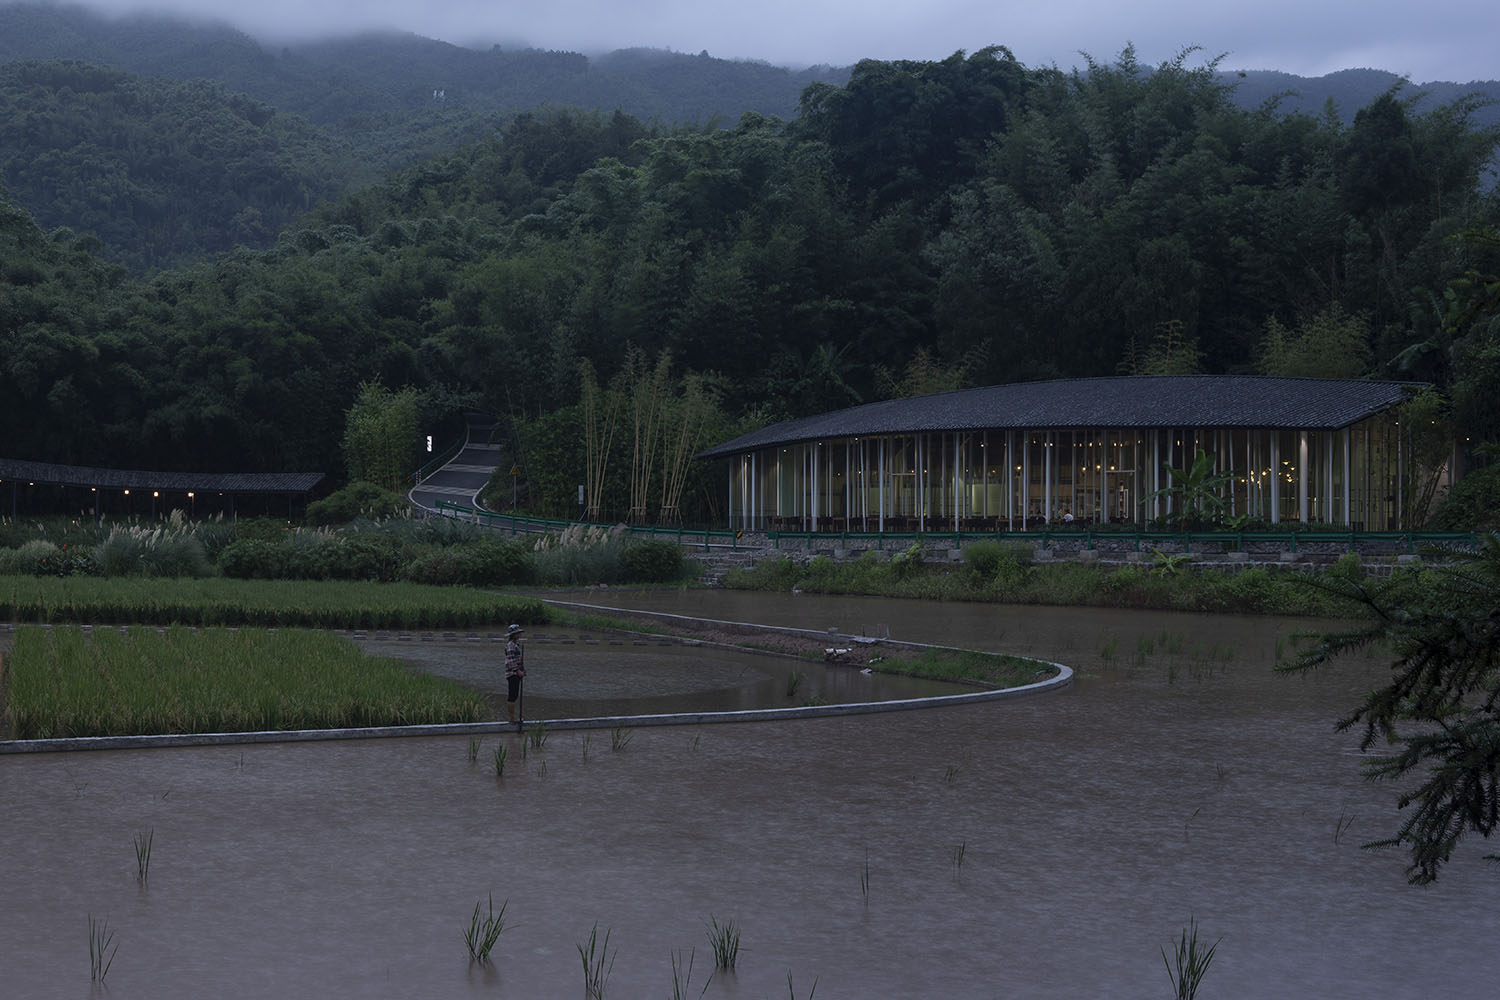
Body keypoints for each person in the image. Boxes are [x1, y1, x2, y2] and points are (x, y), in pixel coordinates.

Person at [503, 624, 526, 725]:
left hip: (516, 674)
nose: (519, 634)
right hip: (513, 674)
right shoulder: (511, 646)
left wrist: (523, 671)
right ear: (513, 634)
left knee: (515, 695)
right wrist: (518, 671)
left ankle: (513, 717)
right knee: (512, 696)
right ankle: (512, 718)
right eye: (518, 633)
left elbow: (519, 660)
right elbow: (511, 661)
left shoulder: (515, 644)